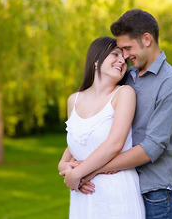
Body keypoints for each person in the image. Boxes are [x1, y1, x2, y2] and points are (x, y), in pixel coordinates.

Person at [74, 9, 172, 219]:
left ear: (147, 39)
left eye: (127, 48)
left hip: (159, 193)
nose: (125, 56)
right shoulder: (128, 76)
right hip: (130, 188)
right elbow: (98, 123)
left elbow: (150, 149)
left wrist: (94, 169)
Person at [59, 37, 145, 218]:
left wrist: (78, 174)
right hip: (82, 196)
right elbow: (78, 142)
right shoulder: (73, 100)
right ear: (96, 60)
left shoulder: (124, 94)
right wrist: (63, 166)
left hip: (116, 192)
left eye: (124, 58)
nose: (122, 60)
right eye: (115, 54)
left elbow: (114, 143)